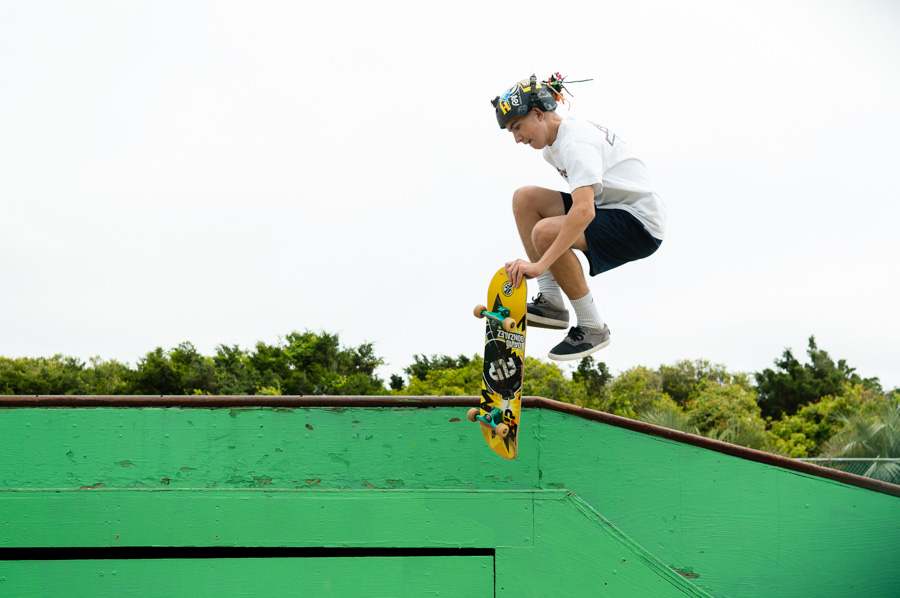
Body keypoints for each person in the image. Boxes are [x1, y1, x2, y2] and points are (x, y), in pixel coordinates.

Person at [491, 74, 666, 361]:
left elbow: (584, 211)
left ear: (538, 114)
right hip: (612, 208)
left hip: (640, 225)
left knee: (546, 232)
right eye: (511, 131)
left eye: (518, 127)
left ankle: (592, 326)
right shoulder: (552, 148)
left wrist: (539, 264)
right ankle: (550, 301)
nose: (517, 138)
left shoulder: (575, 143)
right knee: (525, 199)